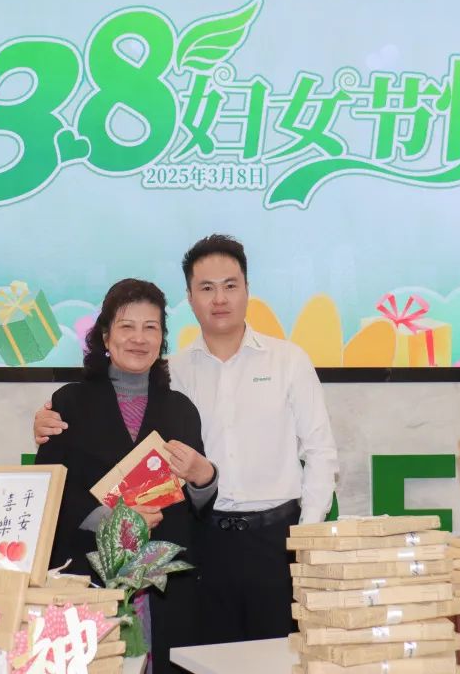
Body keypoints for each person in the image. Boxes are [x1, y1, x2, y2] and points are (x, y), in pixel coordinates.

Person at [35, 235, 339, 645]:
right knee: (206, 659)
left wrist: (307, 539)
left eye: (230, 285)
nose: (220, 298)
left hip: (276, 539)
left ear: (247, 289)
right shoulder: (172, 374)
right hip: (204, 545)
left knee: (280, 655)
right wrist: (45, 420)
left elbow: (320, 452)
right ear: (190, 298)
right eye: (206, 287)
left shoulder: (288, 360)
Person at [34, 278, 217, 674]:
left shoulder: (181, 409)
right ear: (105, 336)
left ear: (162, 339)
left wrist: (205, 480)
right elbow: (49, 489)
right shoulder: (68, 402)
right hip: (88, 578)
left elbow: (196, 506)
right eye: (126, 326)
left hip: (165, 588)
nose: (139, 338)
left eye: (151, 327)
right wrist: (112, 519)